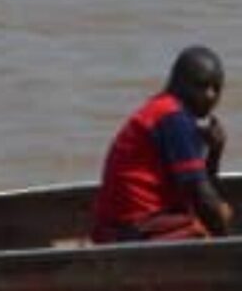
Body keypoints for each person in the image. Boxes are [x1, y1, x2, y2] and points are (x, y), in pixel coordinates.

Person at [91, 46, 233, 244]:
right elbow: (202, 198)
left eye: (216, 88)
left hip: (125, 226)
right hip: (131, 228)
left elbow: (199, 193)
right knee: (211, 221)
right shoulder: (173, 117)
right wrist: (230, 248)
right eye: (201, 86)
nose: (210, 95)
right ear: (179, 83)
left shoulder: (166, 111)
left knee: (216, 213)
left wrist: (215, 152)